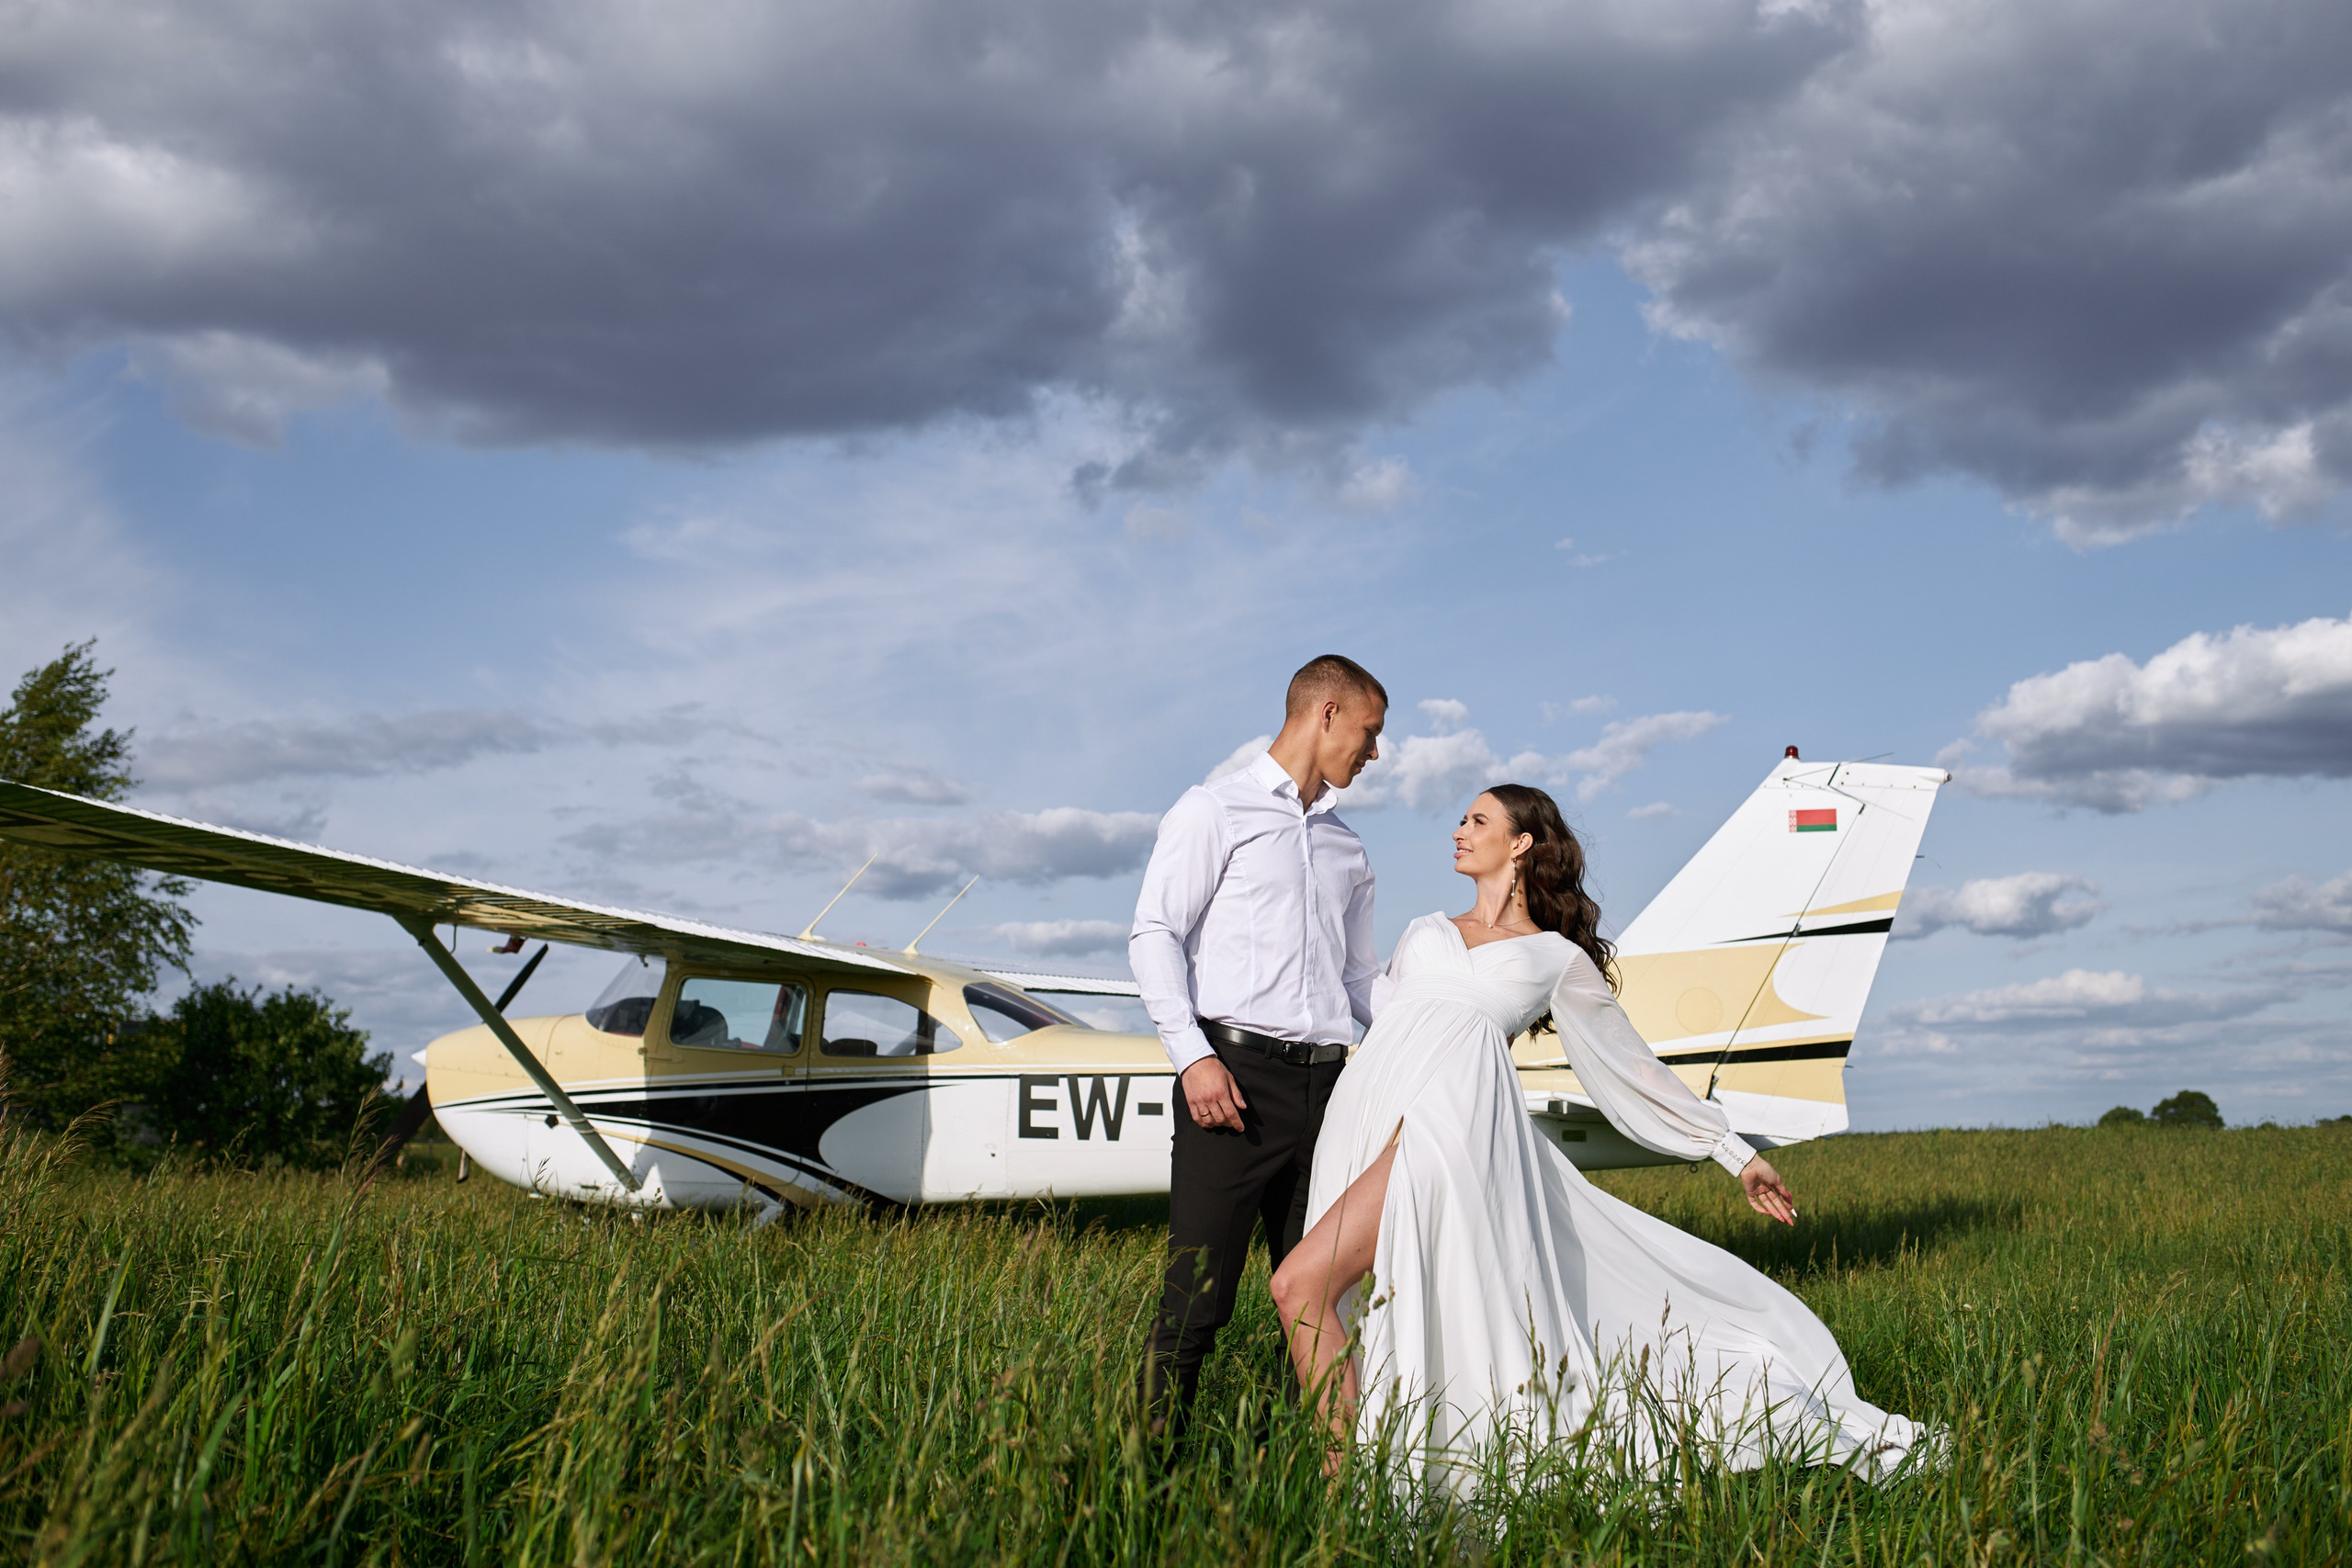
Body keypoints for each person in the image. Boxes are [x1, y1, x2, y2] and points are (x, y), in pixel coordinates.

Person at [1270, 784, 1924, 1495]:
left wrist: (1733, 1152)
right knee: (1349, 1299)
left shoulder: (1555, 958)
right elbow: (1394, 1020)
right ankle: (1382, 1478)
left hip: (1450, 1128)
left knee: (1299, 1283)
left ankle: (1349, 1488)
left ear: (1521, 843)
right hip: (1371, 1112)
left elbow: (1633, 1071)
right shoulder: (1424, 930)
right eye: (1462, 818)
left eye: (1478, 820)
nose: (1459, 830)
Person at [1131, 654, 1387, 1438]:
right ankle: (1147, 1491)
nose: (1374, 754)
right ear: (1329, 714)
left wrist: (1444, 1031)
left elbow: (1359, 980)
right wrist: (1192, 1055)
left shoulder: (1348, 848)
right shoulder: (1215, 810)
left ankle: (1294, 1479)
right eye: (1371, 734)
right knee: (1196, 1301)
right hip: (1232, 1083)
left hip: (1329, 1091)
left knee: (1316, 1301)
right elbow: (1154, 934)